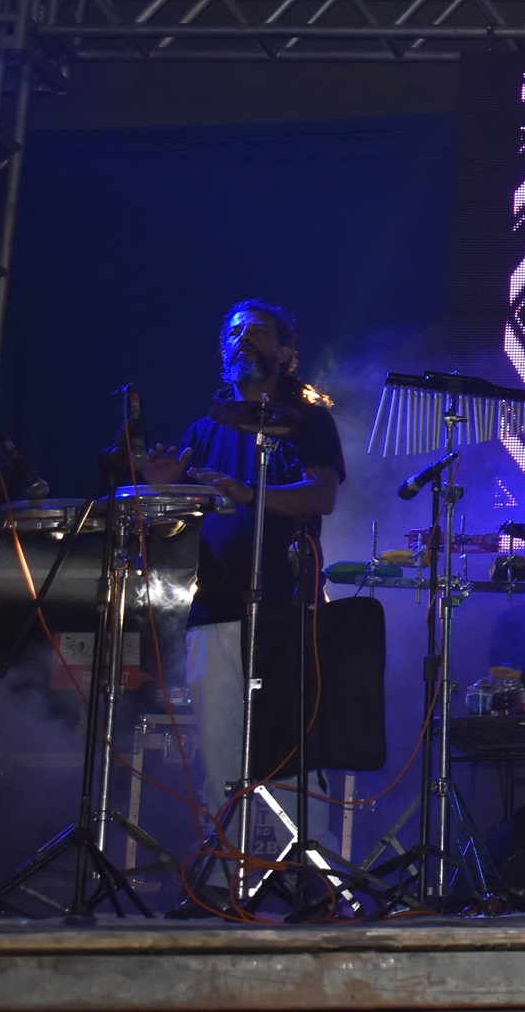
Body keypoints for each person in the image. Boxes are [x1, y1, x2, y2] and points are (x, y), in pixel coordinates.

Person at [138, 301, 345, 822]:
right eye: (234, 333)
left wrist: (249, 493)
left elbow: (322, 497)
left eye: (256, 331)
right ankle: (229, 865)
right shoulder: (202, 431)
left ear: (286, 352)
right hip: (214, 611)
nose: (242, 339)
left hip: (285, 610)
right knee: (222, 761)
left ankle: (304, 862)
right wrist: (162, 495)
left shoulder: (309, 422)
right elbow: (172, 532)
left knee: (291, 757)